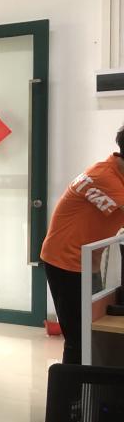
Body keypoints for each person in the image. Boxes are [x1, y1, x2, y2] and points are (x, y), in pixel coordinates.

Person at [41, 126, 124, 364]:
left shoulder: (115, 172)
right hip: (66, 262)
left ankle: (91, 385)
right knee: (79, 338)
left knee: (93, 333)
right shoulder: (104, 177)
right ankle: (73, 388)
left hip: (87, 261)